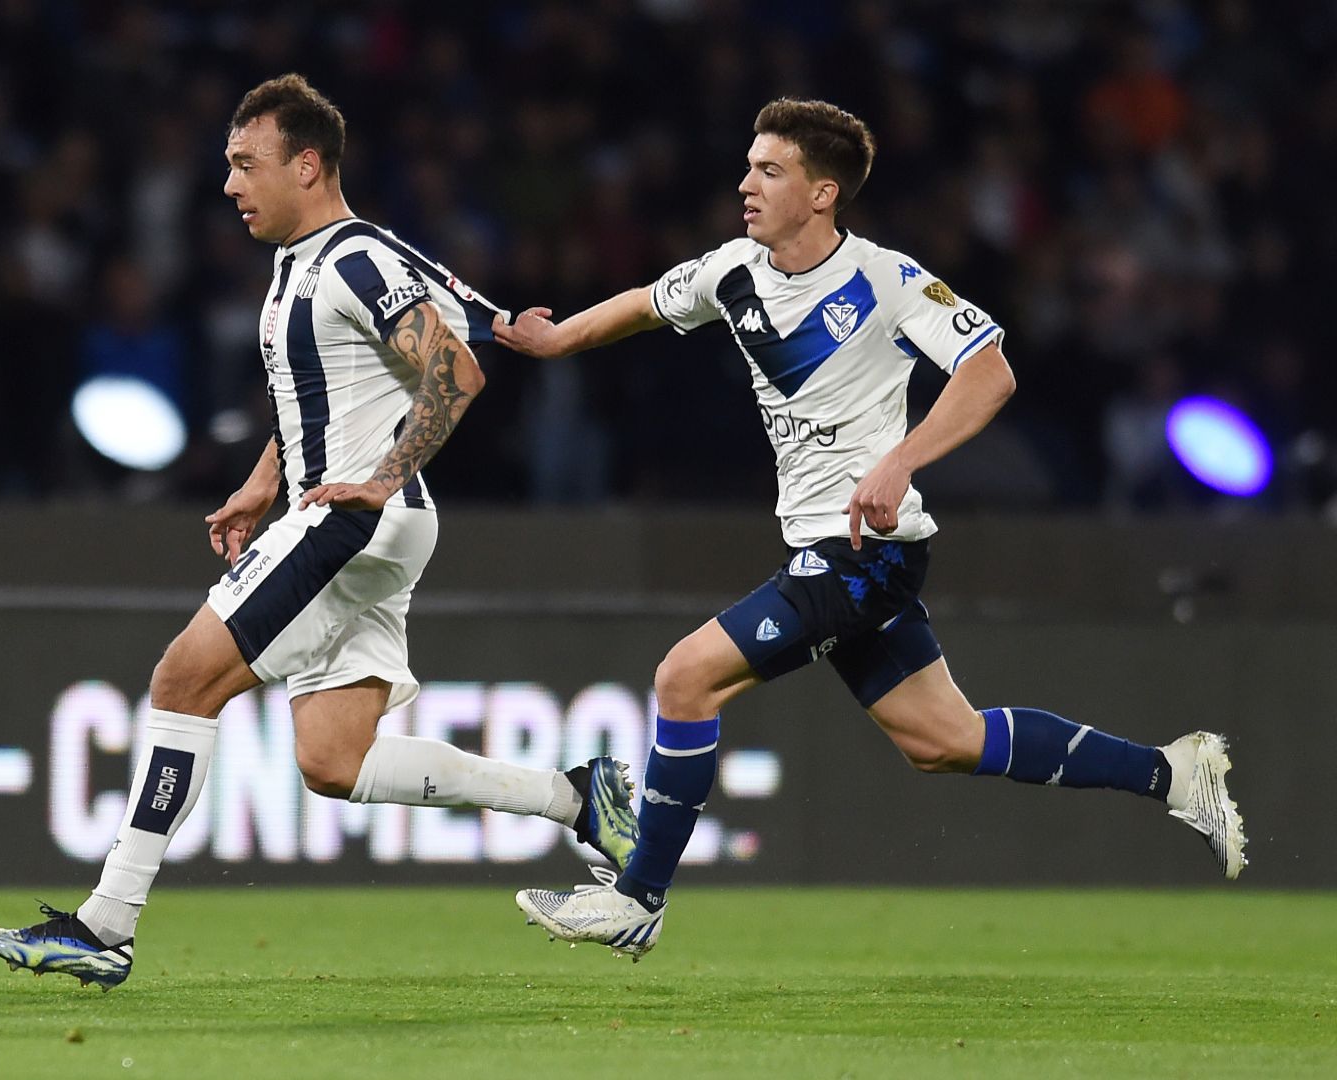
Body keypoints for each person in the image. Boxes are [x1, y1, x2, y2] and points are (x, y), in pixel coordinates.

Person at [496, 99, 1245, 961]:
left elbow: (990, 372)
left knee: (683, 679)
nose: (745, 184)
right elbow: (644, 304)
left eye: (769, 171)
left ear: (822, 194)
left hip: (865, 554)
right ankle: (1175, 772)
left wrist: (901, 461)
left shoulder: (887, 281)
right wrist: (559, 343)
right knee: (944, 741)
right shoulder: (732, 271)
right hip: (833, 553)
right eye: (747, 166)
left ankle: (637, 898)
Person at [0, 74, 638, 989]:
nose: (230, 185)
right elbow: (319, 402)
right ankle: (579, 799)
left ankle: (105, 924)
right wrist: (259, 484)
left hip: (353, 524)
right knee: (333, 761)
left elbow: (457, 372)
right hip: (365, 524)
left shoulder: (355, 260)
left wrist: (383, 477)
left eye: (247, 164)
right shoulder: (314, 262)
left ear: (309, 164)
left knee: (181, 679)